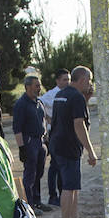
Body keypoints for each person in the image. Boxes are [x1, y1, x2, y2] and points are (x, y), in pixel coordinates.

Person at [47, 66, 99, 218]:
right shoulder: (76, 97)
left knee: (73, 185)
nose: (90, 84)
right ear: (82, 79)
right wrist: (90, 151)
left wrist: (86, 99)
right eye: (89, 80)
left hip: (58, 144)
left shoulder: (61, 94)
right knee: (69, 187)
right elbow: (79, 124)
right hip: (68, 146)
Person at [12, 75, 49, 214]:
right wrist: (22, 148)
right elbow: (17, 129)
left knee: (38, 173)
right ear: (28, 87)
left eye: (39, 85)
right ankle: (29, 206)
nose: (39, 88)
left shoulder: (39, 102)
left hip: (40, 142)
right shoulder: (21, 105)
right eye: (36, 86)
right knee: (30, 175)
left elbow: (43, 120)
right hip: (29, 142)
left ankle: (37, 201)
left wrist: (46, 139)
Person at [39, 69, 71, 208]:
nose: (67, 82)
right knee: (55, 166)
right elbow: (39, 103)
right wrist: (48, 119)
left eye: (68, 79)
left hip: (65, 133)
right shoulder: (51, 95)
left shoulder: (69, 93)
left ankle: (62, 193)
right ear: (58, 81)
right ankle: (53, 195)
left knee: (63, 165)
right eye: (64, 79)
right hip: (54, 133)